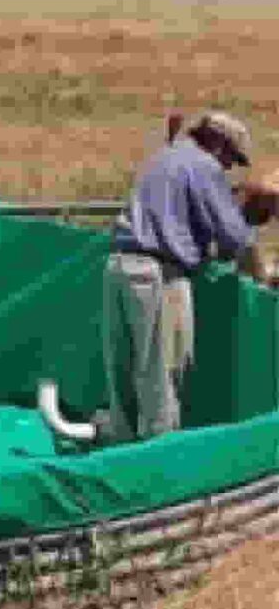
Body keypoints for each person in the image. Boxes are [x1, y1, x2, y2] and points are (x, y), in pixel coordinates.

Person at [99, 109, 269, 443]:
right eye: (231, 159)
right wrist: (260, 275)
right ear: (218, 145)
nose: (228, 168)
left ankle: (119, 459)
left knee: (123, 382)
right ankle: (158, 473)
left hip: (117, 268)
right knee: (161, 378)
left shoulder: (163, 157)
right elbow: (236, 237)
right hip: (158, 276)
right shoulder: (204, 166)